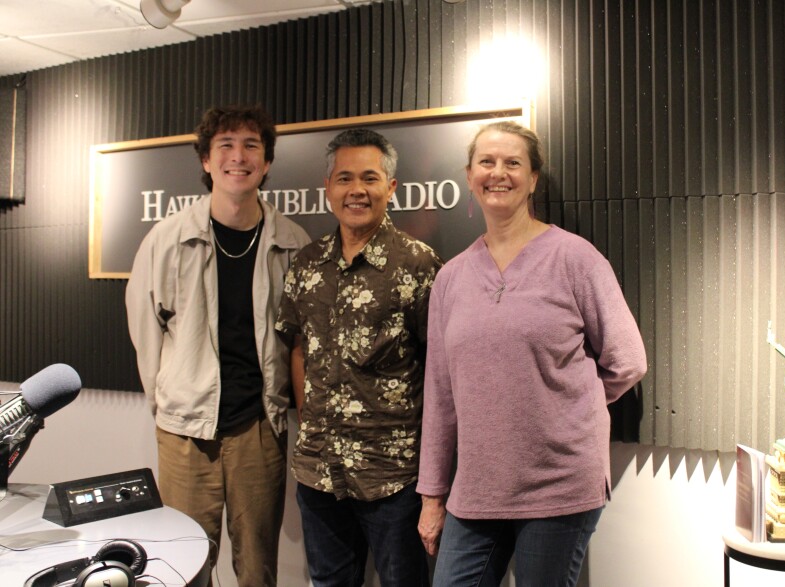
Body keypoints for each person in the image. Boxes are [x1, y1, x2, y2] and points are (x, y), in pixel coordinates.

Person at [416, 120, 648, 586]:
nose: (497, 173)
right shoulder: (452, 278)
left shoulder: (574, 258)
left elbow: (628, 360)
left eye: (512, 163)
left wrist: (565, 406)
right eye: (486, 161)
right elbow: (441, 396)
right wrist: (431, 495)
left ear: (533, 179)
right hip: (477, 488)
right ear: (469, 175)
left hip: (558, 484)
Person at [125, 105, 311, 587]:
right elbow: (147, 333)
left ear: (266, 162)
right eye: (225, 145)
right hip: (186, 433)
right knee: (183, 565)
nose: (238, 156)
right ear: (206, 161)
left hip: (259, 429)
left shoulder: (293, 242)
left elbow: (301, 341)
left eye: (251, 145)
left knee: (257, 568)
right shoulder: (167, 239)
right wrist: (168, 401)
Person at [275, 128, 442, 587]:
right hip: (318, 472)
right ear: (327, 189)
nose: (356, 190)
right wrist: (309, 416)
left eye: (369, 178)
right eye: (344, 178)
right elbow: (298, 345)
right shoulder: (307, 263)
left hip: (393, 476)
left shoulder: (419, 265)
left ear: (391, 187)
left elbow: (440, 368)